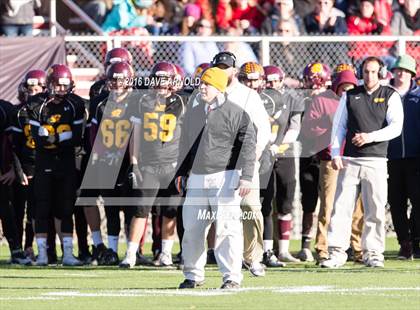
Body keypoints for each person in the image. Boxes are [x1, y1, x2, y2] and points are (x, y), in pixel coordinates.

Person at [177, 67, 256, 289]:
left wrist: (247, 177)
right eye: (202, 83)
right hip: (197, 178)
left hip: (225, 177)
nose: (202, 87)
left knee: (227, 229)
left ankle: (231, 277)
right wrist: (181, 172)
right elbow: (185, 145)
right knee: (192, 229)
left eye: (207, 84)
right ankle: (193, 275)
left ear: (219, 87)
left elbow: (248, 146)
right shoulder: (194, 111)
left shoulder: (236, 113)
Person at [321, 56, 404, 268]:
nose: (369, 76)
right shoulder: (350, 96)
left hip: (376, 160)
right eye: (366, 71)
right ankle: (337, 252)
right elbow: (339, 126)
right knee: (341, 208)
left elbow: (396, 127)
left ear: (382, 73)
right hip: (350, 160)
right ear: (360, 72)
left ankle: (374, 253)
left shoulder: (390, 95)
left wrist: (370, 136)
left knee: (375, 210)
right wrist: (336, 153)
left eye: (374, 72)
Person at [119, 62, 187, 268]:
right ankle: (131, 253)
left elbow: (188, 136)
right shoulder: (142, 101)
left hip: (172, 164)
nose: (161, 84)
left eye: (165, 80)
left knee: (170, 210)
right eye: (158, 79)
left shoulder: (182, 102)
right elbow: (135, 134)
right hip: (148, 164)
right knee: (140, 210)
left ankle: (166, 253)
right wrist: (134, 162)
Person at [213, 52, 271, 276]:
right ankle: (229, 259)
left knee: (250, 209)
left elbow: (263, 129)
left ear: (234, 71)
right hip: (218, 163)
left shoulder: (248, 95)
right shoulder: (209, 92)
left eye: (226, 67)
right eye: (218, 67)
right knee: (222, 213)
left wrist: (253, 156)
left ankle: (253, 257)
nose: (222, 71)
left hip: (244, 161)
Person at [28, 64, 86, 266]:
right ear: (49, 84)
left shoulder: (75, 104)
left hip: (66, 163)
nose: (62, 89)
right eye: (58, 85)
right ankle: (42, 254)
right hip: (44, 162)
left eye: (65, 85)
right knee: (42, 208)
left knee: (66, 208)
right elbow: (38, 137)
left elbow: (77, 138)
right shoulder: (37, 103)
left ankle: (68, 254)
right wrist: (62, 137)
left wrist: (55, 137)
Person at [387, 54, 420, 259]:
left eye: (405, 71)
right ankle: (404, 242)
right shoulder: (386, 94)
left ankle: (416, 240)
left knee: (418, 201)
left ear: (412, 74)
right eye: (398, 70)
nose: (401, 74)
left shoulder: (418, 96)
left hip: (416, 157)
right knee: (396, 202)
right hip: (391, 157)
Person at [0, 99, 32, 266]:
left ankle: (16, 250)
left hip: (3, 171)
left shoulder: (4, 109)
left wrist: (14, 169)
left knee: (8, 210)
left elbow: (12, 144)